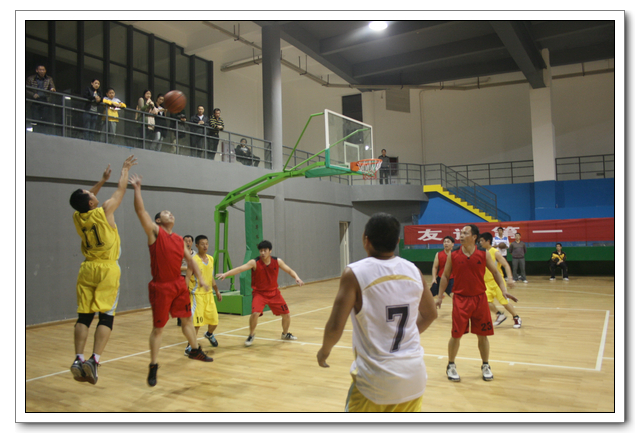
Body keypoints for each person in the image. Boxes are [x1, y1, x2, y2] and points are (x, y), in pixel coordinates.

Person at [317, 213, 438, 412]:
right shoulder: (413, 270)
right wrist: (404, 336)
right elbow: (431, 314)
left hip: (375, 381)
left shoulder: (354, 273)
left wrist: (324, 351)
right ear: (397, 242)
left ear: (366, 239)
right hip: (414, 377)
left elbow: (335, 326)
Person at [128, 174, 213, 387]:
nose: (170, 213)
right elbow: (141, 211)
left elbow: (190, 261)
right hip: (161, 286)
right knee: (159, 329)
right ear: (158, 220)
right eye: (166, 212)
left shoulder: (178, 240)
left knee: (187, 321)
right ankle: (153, 365)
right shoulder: (154, 233)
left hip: (178, 285)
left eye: (171, 213)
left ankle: (194, 350)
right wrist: (137, 189)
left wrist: (202, 279)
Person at [68, 155, 137, 385]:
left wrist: (101, 180)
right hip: (107, 269)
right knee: (106, 316)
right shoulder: (104, 210)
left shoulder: (78, 217)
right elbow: (121, 190)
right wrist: (125, 169)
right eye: (89, 193)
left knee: (84, 316)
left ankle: (78, 358)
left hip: (87, 268)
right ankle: (94, 360)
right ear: (91, 202)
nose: (92, 192)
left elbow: (84, 198)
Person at [435, 224, 514, 383]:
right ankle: (451, 365)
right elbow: (445, 276)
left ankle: (485, 365)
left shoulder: (483, 254)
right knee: (456, 335)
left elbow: (496, 272)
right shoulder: (454, 254)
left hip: (479, 299)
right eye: (461, 233)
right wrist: (439, 296)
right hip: (460, 299)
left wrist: (503, 290)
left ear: (474, 237)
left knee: (483, 336)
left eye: (465, 233)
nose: (461, 235)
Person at [216, 240, 303, 347]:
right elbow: (240, 269)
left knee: (286, 315)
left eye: (265, 250)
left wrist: (297, 277)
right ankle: (251, 335)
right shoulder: (254, 262)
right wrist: (226, 274)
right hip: (259, 294)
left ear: (270, 251)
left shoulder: (277, 261)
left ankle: (285, 334)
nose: (262, 253)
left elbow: (289, 270)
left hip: (274, 293)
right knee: (255, 313)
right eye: (261, 251)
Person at [185, 235, 223, 354]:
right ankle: (190, 346)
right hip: (197, 295)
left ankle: (209, 334)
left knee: (214, 321)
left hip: (209, 295)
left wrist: (217, 290)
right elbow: (187, 277)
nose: (205, 246)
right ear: (197, 245)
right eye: (202, 244)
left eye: (206, 243)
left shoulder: (211, 259)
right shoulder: (193, 261)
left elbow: (210, 277)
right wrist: (183, 293)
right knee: (196, 324)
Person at [478, 233, 521, 328]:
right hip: (486, 282)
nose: (480, 242)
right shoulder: (481, 252)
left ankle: (516, 317)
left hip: (497, 282)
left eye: (482, 240)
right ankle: (499, 315)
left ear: (488, 241)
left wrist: (510, 278)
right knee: (485, 302)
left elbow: (506, 265)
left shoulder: (495, 252)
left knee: (504, 302)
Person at [26, 65, 56, 133]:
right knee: (35, 117)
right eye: (40, 70)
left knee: (45, 117)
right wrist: (33, 94)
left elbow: (52, 87)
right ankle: (36, 131)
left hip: (45, 100)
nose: (42, 71)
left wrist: (52, 89)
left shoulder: (49, 78)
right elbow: (26, 89)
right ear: (37, 70)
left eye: (43, 70)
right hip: (35, 100)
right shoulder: (31, 78)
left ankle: (43, 132)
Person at [177, 234, 196, 327]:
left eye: (189, 241)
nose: (188, 243)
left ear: (192, 243)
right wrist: (187, 268)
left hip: (193, 279)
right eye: (186, 241)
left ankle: (190, 317)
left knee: (191, 298)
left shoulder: (195, 253)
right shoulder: (179, 253)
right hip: (182, 277)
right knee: (182, 298)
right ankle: (180, 319)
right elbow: (176, 267)